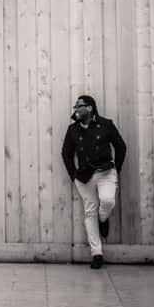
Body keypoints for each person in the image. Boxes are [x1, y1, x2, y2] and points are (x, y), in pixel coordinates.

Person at [61, 94, 126, 269]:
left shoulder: (106, 125)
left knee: (107, 201)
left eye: (78, 106)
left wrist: (116, 169)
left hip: (106, 172)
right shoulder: (73, 130)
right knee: (90, 211)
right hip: (84, 177)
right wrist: (73, 175)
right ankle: (96, 254)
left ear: (89, 108)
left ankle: (103, 218)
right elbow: (66, 154)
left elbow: (121, 146)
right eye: (75, 107)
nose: (75, 110)